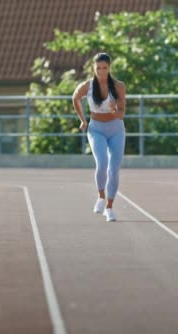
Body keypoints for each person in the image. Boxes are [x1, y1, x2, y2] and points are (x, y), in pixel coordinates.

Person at [72, 52, 126, 222]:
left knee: (114, 169)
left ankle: (109, 208)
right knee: (102, 163)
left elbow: (122, 113)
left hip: (116, 129)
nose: (102, 72)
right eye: (98, 68)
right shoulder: (86, 86)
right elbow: (75, 98)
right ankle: (101, 197)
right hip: (96, 129)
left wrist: (114, 108)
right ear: (93, 68)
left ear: (109, 68)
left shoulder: (118, 86)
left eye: (105, 68)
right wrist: (82, 120)